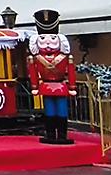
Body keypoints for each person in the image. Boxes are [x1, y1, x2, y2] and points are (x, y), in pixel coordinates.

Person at [27, 9, 77, 144]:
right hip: (46, 85)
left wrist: (72, 86)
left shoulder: (65, 57)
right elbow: (33, 72)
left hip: (61, 85)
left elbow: (71, 70)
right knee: (49, 110)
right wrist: (35, 86)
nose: (48, 43)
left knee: (61, 110)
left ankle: (62, 135)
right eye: (43, 39)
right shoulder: (36, 58)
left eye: (52, 39)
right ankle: (50, 134)